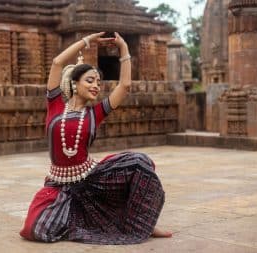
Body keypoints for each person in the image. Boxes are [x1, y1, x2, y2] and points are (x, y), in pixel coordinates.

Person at [20, 32, 172, 244]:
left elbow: (125, 86)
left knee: (140, 163)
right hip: (58, 183)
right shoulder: (55, 105)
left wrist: (124, 47)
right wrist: (87, 41)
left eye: (98, 83)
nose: (96, 86)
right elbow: (57, 62)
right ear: (74, 83)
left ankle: (143, 223)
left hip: (91, 177)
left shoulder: (95, 113)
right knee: (35, 230)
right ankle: (92, 218)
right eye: (90, 80)